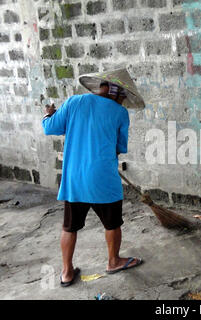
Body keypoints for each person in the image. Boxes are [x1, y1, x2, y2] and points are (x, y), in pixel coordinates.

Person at [42, 80, 143, 287]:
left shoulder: (74, 102)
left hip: (75, 179)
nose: (122, 101)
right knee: (113, 223)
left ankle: (67, 272)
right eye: (122, 96)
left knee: (69, 227)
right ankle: (114, 261)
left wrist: (48, 115)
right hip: (103, 179)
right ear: (112, 91)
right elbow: (119, 147)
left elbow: (50, 128)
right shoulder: (120, 113)